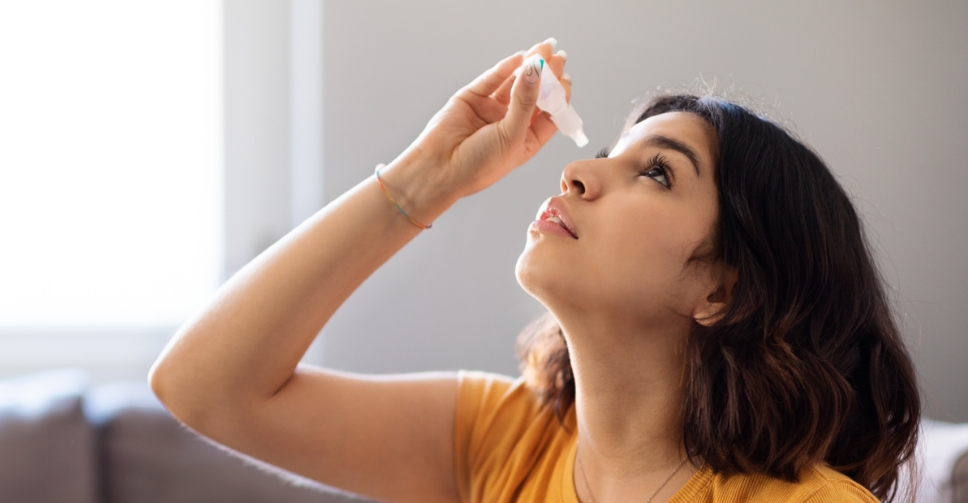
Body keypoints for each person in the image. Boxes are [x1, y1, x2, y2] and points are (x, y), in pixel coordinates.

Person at [148, 39, 920, 503]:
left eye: (656, 174)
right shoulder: (507, 444)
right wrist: (424, 178)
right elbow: (204, 387)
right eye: (607, 153)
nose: (579, 172)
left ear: (721, 288)